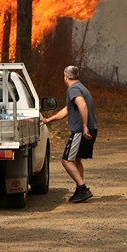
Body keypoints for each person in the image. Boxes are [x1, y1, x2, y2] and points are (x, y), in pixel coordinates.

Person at [41, 65, 98, 203]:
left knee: (66, 160)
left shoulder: (73, 89)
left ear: (65, 77)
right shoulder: (80, 87)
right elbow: (68, 110)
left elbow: (82, 105)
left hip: (81, 130)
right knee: (76, 159)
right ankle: (79, 190)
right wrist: (49, 119)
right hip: (91, 128)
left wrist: (84, 127)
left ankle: (83, 189)